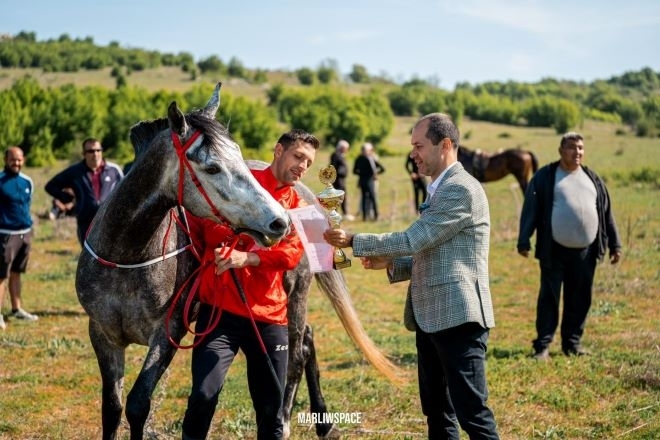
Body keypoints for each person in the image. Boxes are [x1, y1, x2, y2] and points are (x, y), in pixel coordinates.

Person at [325, 113, 499, 439]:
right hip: (432, 316)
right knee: (437, 411)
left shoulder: (460, 189)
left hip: (459, 317)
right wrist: (395, 265)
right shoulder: (441, 188)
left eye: (419, 145)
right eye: (411, 146)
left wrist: (354, 241)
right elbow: (437, 248)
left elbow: (413, 239)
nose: (413, 154)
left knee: (472, 414)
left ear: (445, 145)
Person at [181, 129, 320, 440]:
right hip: (219, 314)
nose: (302, 166)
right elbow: (202, 220)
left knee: (272, 412)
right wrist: (210, 248)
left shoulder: (299, 203)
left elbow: (292, 254)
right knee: (201, 397)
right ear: (278, 150)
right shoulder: (241, 181)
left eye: (309, 163)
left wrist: (248, 259)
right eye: (298, 157)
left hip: (269, 318)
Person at [517, 132, 622, 360]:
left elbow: (606, 213)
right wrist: (524, 239)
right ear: (561, 150)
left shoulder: (592, 179)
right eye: (572, 148)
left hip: (586, 252)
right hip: (553, 249)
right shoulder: (545, 176)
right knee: (550, 298)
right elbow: (531, 209)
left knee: (580, 298)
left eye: (581, 148)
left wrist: (615, 244)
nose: (577, 153)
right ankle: (542, 346)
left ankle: (572, 344)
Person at [45, 138, 123, 245]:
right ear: (84, 154)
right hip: (86, 223)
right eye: (91, 151)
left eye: (98, 150)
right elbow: (50, 186)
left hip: (110, 222)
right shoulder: (75, 172)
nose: (95, 154)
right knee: (90, 257)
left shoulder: (114, 170)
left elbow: (125, 193)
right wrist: (67, 198)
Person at [0, 147, 39, 329]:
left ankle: (17, 309)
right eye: (12, 159)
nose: (16, 163)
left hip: (25, 234)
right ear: (5, 159)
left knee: (16, 273)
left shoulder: (27, 181)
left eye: (19, 159)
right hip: (5, 235)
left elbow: (27, 204)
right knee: (1, 276)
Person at [353, 142, 384, 221]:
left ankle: (366, 217)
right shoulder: (369, 158)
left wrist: (361, 173)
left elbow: (355, 171)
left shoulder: (358, 158)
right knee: (372, 198)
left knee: (364, 198)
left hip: (362, 180)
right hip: (369, 181)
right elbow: (381, 169)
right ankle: (374, 215)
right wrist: (374, 174)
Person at [329, 139, 352, 219]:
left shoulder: (340, 155)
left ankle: (343, 213)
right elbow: (333, 167)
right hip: (337, 179)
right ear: (341, 147)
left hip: (341, 179)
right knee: (338, 196)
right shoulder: (335, 155)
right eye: (345, 148)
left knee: (342, 196)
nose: (346, 150)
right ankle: (337, 213)